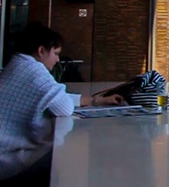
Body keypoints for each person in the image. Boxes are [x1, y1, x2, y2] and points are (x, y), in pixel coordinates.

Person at [0, 22, 124, 183]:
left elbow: (57, 98)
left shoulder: (19, 65)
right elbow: (64, 107)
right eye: (56, 53)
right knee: (68, 156)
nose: (58, 59)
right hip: (7, 161)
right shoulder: (33, 71)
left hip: (6, 153)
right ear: (41, 51)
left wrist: (96, 100)